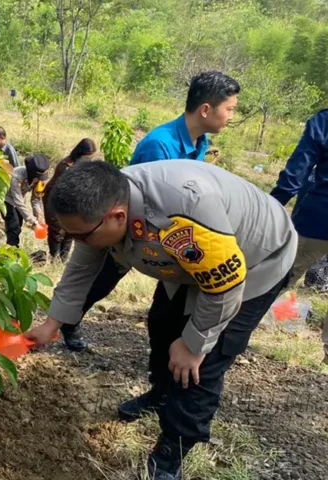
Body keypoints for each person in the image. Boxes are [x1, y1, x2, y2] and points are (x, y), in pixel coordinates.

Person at [26, 161, 295, 480]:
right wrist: (51, 324)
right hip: (194, 265)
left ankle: (171, 453)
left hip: (253, 263)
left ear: (118, 217)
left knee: (201, 364)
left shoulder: (183, 213)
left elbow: (225, 286)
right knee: (164, 325)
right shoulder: (99, 207)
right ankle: (161, 394)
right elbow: (81, 270)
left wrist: (195, 344)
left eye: (80, 236)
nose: (76, 242)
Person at [271, 109, 328, 362]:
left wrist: (271, 206)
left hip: (318, 218)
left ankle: (233, 335)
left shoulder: (324, 121)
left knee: (280, 275)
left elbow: (297, 170)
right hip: (317, 217)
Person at [130, 71, 239, 165]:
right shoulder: (159, 146)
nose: (231, 116)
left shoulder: (201, 140)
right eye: (229, 109)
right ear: (205, 110)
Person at [44, 139, 98, 261]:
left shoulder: (85, 166)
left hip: (73, 200)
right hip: (55, 199)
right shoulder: (65, 166)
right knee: (56, 229)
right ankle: (54, 259)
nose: (89, 160)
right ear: (80, 153)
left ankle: (63, 259)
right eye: (87, 157)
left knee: (70, 230)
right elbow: (59, 190)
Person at [4, 154, 49, 247]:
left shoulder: (38, 180)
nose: (39, 179)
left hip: (20, 200)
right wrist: (31, 219)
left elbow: (36, 198)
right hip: (8, 199)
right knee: (13, 226)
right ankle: (11, 252)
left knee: (18, 226)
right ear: (32, 173)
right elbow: (17, 200)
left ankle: (13, 248)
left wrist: (38, 215)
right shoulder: (16, 176)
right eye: (38, 176)